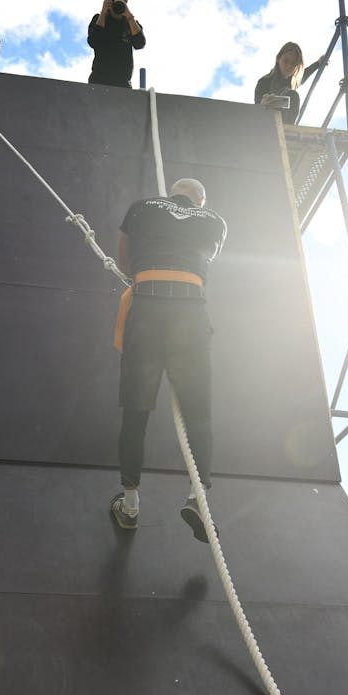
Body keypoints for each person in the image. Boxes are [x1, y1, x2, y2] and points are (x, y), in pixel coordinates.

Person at [110, 179, 227, 542]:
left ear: (172, 192)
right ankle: (197, 500)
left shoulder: (142, 207)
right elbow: (205, 261)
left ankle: (129, 506)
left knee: (135, 412)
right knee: (198, 414)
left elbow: (125, 260)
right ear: (200, 199)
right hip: (190, 312)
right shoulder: (215, 220)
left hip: (147, 306)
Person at [254, 42, 322, 125]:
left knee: (292, 95)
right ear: (278, 59)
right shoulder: (264, 82)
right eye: (286, 61)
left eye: (293, 64)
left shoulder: (293, 81)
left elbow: (306, 73)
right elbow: (256, 110)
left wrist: (318, 63)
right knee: (292, 95)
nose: (289, 66)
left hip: (284, 126)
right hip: (266, 122)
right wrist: (263, 104)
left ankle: (288, 129)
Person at [87, 0, 145, 89]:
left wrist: (129, 16)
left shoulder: (131, 24)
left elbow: (140, 43)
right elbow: (93, 41)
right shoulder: (99, 19)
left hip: (123, 84)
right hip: (98, 81)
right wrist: (103, 12)